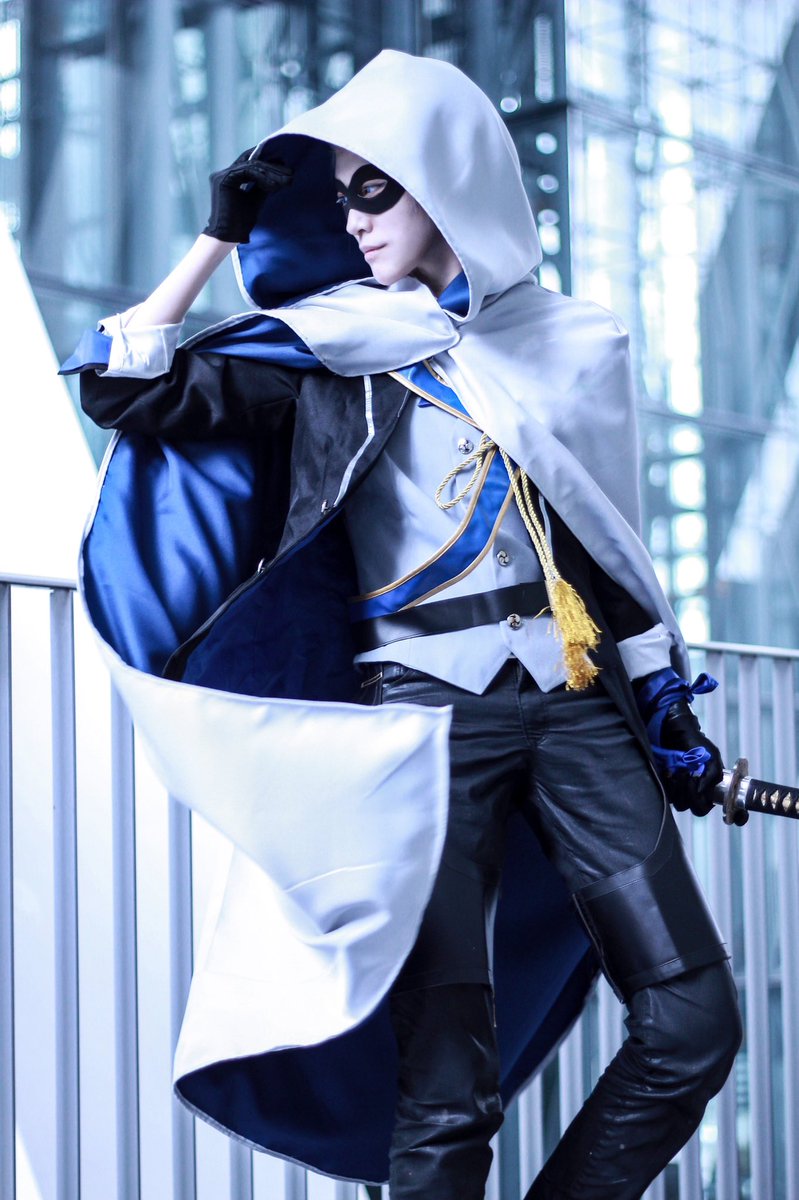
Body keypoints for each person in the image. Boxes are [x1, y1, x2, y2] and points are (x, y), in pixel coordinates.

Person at [66, 51, 741, 1200]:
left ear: (448, 179)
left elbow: (613, 546)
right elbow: (124, 387)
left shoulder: (574, 345)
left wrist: (663, 696)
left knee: (692, 1024)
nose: (353, 218)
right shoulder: (328, 349)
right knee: (444, 1089)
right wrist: (217, 241)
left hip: (579, 708)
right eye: (338, 197)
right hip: (422, 734)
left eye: (374, 188)